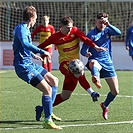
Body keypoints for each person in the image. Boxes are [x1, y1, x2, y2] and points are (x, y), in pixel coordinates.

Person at [36, 16, 106, 121]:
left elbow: (85, 39)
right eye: (67, 28)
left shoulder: (75, 31)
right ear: (61, 27)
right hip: (64, 64)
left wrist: (95, 46)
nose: (69, 30)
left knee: (65, 95)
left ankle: (42, 109)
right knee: (78, 70)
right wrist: (29, 52)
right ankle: (91, 92)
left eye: (70, 27)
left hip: (75, 64)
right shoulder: (55, 37)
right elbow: (42, 45)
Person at [12, 6, 62, 130]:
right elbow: (25, 43)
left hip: (30, 64)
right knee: (47, 90)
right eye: (35, 18)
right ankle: (47, 120)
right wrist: (41, 51)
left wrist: (34, 55)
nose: (36, 21)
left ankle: (45, 110)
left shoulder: (25, 29)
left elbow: (22, 47)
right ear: (31, 18)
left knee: (54, 81)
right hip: (23, 67)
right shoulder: (21, 29)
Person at [81, 12, 121, 120]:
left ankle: (105, 105)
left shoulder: (108, 30)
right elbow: (83, 50)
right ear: (95, 22)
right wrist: (86, 54)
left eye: (104, 23)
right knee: (94, 63)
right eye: (100, 22)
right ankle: (96, 79)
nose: (102, 25)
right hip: (95, 60)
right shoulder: (91, 35)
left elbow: (119, 32)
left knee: (115, 91)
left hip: (108, 62)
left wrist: (109, 24)